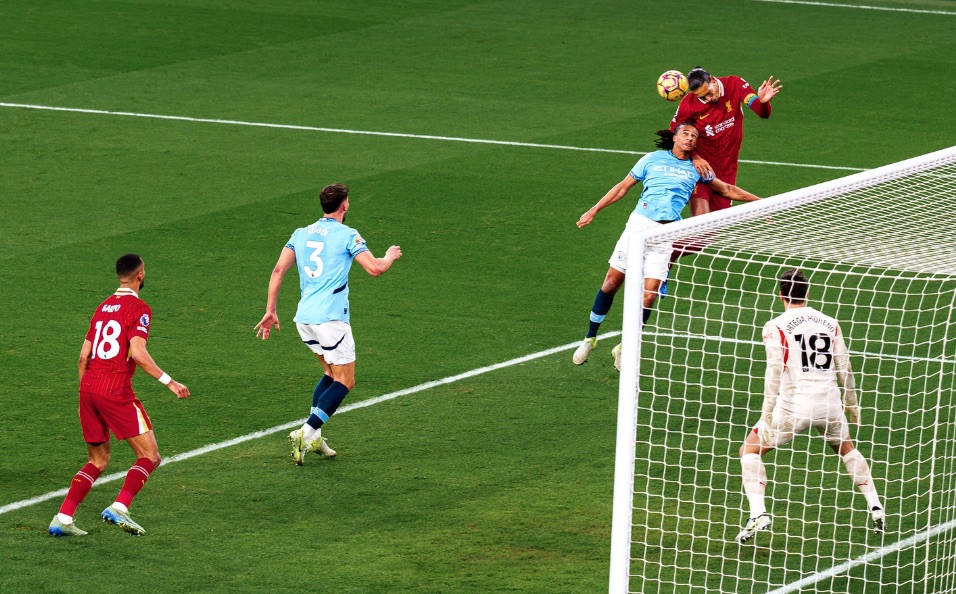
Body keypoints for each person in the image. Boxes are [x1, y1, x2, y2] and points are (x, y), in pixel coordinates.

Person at [572, 122, 760, 367]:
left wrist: (761, 202)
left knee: (648, 297)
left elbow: (726, 189)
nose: (690, 138)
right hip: (639, 226)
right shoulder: (652, 159)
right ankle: (590, 337)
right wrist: (594, 210)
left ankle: (625, 346)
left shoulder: (697, 169)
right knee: (610, 283)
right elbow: (622, 187)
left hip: (666, 234)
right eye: (685, 133)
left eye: (694, 135)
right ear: (674, 137)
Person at [734, 269, 886, 544]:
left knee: (749, 450)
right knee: (847, 448)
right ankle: (875, 505)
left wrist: (766, 415)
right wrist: (852, 404)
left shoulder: (775, 326)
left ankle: (758, 513)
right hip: (829, 404)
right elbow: (845, 367)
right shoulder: (830, 322)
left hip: (793, 408)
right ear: (808, 292)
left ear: (780, 294)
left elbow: (774, 373)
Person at [255, 183, 402, 465]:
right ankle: (306, 430)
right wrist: (390, 256)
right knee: (346, 380)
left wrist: (270, 310)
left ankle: (315, 436)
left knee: (330, 374)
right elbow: (375, 269)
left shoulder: (301, 233)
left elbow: (278, 270)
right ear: (344, 205)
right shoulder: (348, 235)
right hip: (331, 320)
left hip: (305, 319)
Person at [49, 254, 190, 537]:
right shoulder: (139, 308)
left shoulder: (102, 307)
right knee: (150, 455)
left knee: (97, 460)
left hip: (88, 388)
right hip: (114, 389)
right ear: (141, 275)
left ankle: (62, 518)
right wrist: (169, 381)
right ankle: (120, 507)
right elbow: (137, 352)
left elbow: (82, 356)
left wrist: (88, 389)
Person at [671, 67, 782, 217]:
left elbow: (762, 113)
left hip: (726, 170)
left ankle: (667, 242)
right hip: (700, 168)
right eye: (703, 97)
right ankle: (660, 240)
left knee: (712, 231)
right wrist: (695, 158)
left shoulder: (734, 84)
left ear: (714, 80)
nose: (708, 99)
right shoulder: (689, 104)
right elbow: (675, 133)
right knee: (701, 224)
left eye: (709, 93)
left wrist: (762, 103)